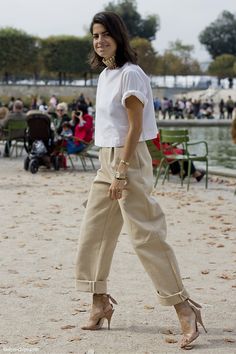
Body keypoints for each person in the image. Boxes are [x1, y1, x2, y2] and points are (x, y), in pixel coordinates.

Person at [75, 11, 206, 350]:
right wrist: (109, 167)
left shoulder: (131, 75)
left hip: (127, 160)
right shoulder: (106, 75)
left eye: (105, 34)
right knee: (93, 233)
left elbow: (134, 129)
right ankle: (99, 302)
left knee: (145, 236)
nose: (99, 40)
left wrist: (120, 171)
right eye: (94, 35)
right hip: (107, 159)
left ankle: (183, 307)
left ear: (119, 36)